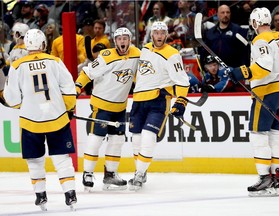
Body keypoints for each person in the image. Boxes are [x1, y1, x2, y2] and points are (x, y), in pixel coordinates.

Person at [3, 29, 77, 209]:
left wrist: (26, 104)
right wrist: (67, 108)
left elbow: (12, 99)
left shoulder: (17, 66)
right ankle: (70, 193)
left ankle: (40, 194)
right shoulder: (55, 61)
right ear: (43, 44)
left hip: (30, 120)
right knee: (62, 158)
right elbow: (69, 87)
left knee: (35, 159)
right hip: (56, 117)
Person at [229, 7, 279, 197]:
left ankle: (264, 178)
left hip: (266, 92)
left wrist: (243, 72)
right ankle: (275, 178)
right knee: (275, 133)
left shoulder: (260, 39)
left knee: (258, 134)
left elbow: (265, 65)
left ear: (254, 22)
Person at [75, 27, 140, 191]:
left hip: (120, 107)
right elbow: (88, 72)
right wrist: (76, 89)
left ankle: (110, 174)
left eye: (125, 38)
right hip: (101, 105)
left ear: (130, 40)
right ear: (115, 41)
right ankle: (87, 173)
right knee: (96, 139)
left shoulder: (136, 54)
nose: (123, 41)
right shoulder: (106, 56)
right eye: (119, 39)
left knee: (117, 140)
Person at [128, 21, 190, 191]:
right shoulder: (145, 49)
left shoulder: (172, 54)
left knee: (148, 137)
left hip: (158, 100)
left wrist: (181, 102)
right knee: (136, 139)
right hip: (139, 99)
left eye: (163, 33)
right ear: (151, 35)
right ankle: (140, 170)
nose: (160, 36)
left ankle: (139, 174)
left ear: (166, 35)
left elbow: (182, 81)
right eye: (156, 33)